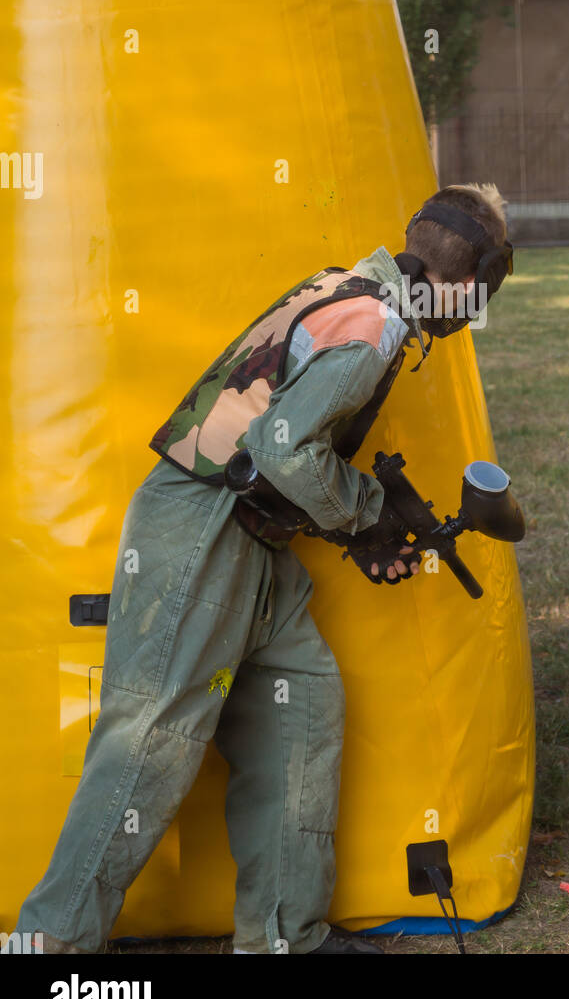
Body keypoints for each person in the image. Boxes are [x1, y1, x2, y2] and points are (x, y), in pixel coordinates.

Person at [10, 183, 512, 956]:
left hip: (256, 542)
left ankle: (285, 938)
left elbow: (275, 447)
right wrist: (366, 508)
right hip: (202, 529)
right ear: (470, 282)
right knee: (150, 741)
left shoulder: (341, 284)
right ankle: (51, 944)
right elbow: (280, 448)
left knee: (301, 714)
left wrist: (358, 532)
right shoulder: (377, 325)